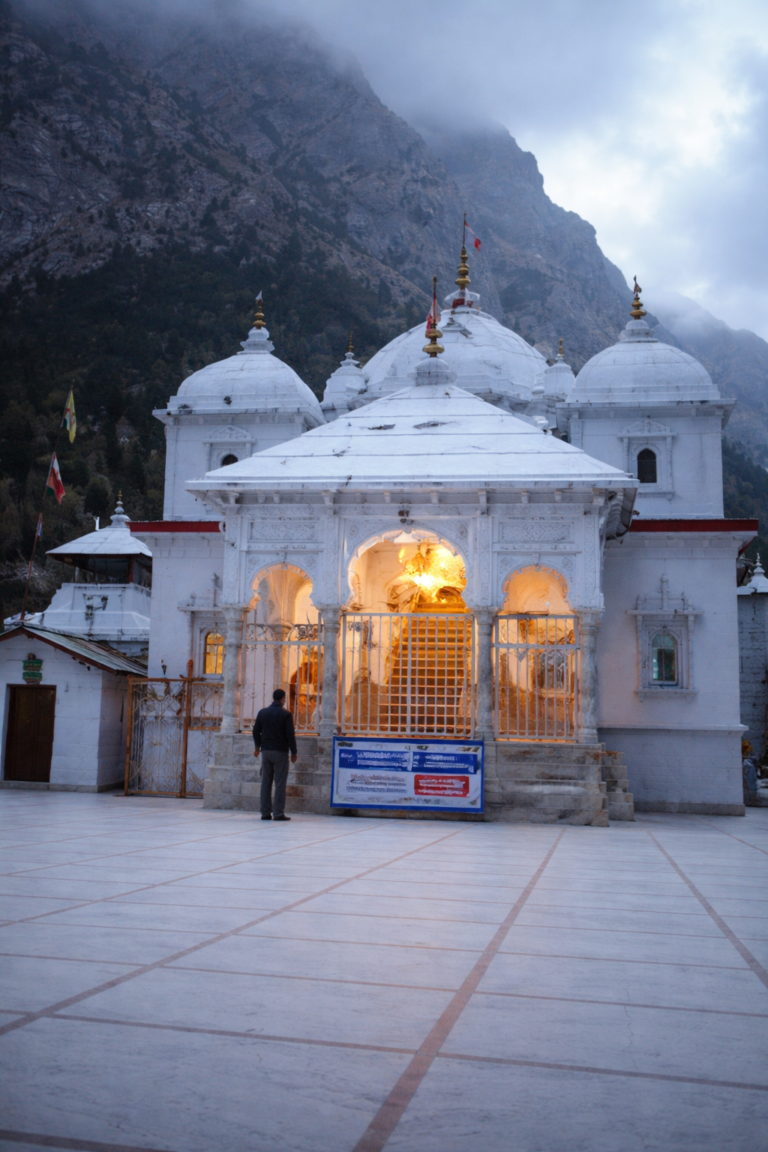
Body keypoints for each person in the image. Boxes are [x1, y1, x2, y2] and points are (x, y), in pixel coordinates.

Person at [253, 688, 297, 821]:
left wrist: (257, 747)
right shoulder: (286, 714)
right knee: (280, 783)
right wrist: (294, 752)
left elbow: (255, 731)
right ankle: (278, 813)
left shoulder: (262, 712)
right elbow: (290, 734)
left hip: (266, 752)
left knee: (265, 783)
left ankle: (265, 812)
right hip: (280, 752)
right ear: (283, 699)